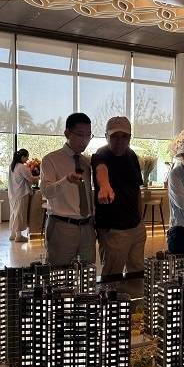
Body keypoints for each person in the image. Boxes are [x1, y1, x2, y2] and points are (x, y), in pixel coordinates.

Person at [92, 116, 146, 281]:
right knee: (112, 276)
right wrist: (105, 185)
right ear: (106, 136)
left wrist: (140, 220)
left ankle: (132, 298)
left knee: (136, 273)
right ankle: (110, 299)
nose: (120, 141)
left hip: (135, 226)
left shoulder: (131, 155)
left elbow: (136, 189)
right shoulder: (101, 154)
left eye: (124, 136)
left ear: (130, 137)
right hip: (113, 229)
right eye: (114, 136)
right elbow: (101, 170)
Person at [40, 113, 95, 266]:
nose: (84, 140)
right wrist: (66, 181)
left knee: (87, 272)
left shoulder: (86, 162)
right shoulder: (51, 159)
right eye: (80, 134)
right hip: (62, 226)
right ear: (67, 133)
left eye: (88, 135)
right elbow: (46, 192)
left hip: (87, 227)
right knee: (59, 272)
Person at [8, 148, 37, 242]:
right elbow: (31, 179)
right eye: (27, 157)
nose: (27, 159)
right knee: (20, 214)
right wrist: (40, 176)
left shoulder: (12, 166)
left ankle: (13, 234)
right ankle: (19, 236)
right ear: (22, 157)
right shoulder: (22, 167)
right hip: (21, 193)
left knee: (14, 213)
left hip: (12, 193)